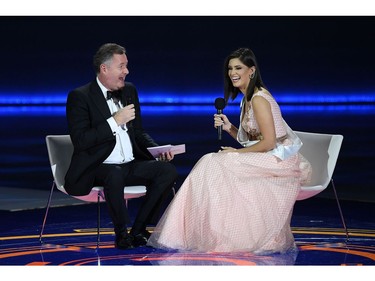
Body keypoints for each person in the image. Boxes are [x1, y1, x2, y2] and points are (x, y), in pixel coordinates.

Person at [147, 48, 312, 254]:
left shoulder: (259, 99)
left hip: (279, 158)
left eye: (238, 68)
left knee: (214, 161)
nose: (232, 73)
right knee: (212, 162)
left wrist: (235, 153)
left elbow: (269, 142)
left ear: (251, 71)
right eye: (230, 68)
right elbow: (252, 142)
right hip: (265, 155)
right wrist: (230, 128)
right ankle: (199, 233)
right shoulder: (247, 99)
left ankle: (220, 236)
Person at [64, 43, 178, 250]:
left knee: (167, 171)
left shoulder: (129, 90)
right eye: (122, 66)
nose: (127, 71)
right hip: (98, 166)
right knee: (114, 173)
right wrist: (114, 121)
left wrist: (157, 150)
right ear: (104, 69)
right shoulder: (80, 96)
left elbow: (139, 131)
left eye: (127, 66)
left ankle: (139, 229)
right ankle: (121, 233)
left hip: (129, 164)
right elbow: (81, 140)